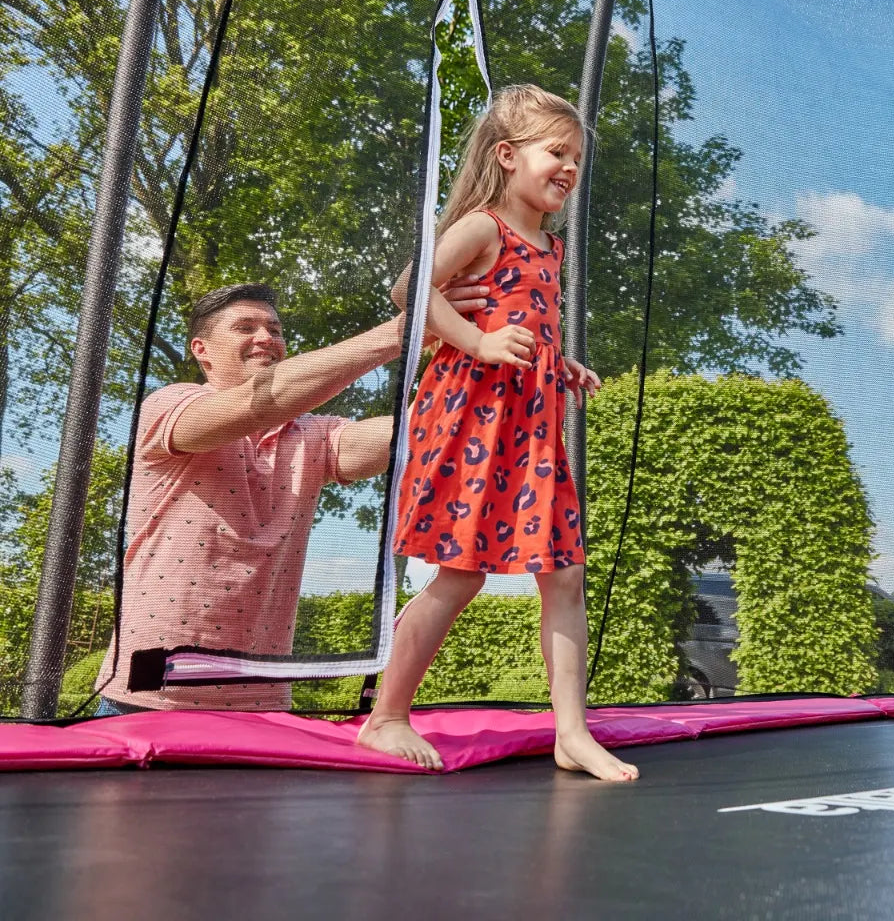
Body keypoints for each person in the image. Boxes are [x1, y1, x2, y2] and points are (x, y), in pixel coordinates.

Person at [357, 85, 638, 781]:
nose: (569, 167)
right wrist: (478, 343)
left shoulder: (551, 246)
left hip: (531, 425)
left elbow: (523, 322)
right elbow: (409, 289)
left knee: (564, 572)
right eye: (556, 151)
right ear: (508, 156)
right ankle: (385, 716)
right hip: (469, 419)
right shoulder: (484, 227)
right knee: (461, 574)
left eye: (577, 156)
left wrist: (556, 362)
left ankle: (569, 732)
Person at [94, 277, 485, 713]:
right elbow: (263, 402)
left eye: (275, 330)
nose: (266, 338)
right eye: (245, 327)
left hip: (263, 701)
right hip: (149, 695)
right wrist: (404, 332)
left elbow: (422, 432)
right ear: (201, 350)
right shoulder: (169, 406)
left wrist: (471, 353)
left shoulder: (314, 436)